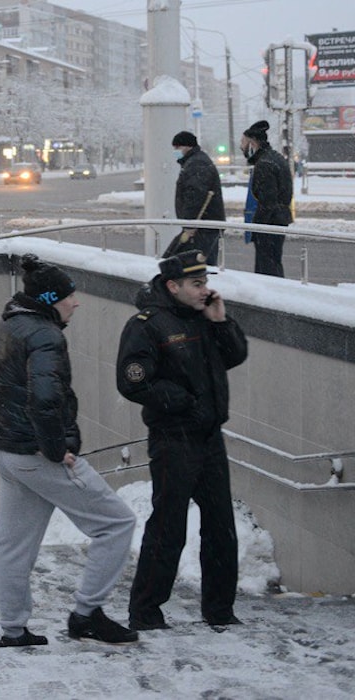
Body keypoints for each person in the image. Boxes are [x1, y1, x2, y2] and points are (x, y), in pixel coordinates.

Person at [0, 255, 138, 647]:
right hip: (38, 456)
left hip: (8, 453)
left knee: (13, 546)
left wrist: (2, 424)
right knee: (116, 524)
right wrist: (53, 447)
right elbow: (45, 398)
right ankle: (86, 614)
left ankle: (14, 630)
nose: (75, 303)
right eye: (69, 297)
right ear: (50, 300)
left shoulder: (2, 327)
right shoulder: (46, 336)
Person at [117, 248, 248, 630]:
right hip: (174, 436)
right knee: (168, 527)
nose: (204, 289)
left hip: (209, 437)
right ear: (173, 286)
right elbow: (133, 380)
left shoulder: (205, 316)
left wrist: (221, 321)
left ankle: (220, 610)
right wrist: (182, 403)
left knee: (221, 526)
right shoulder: (147, 324)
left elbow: (235, 355)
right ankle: (145, 610)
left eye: (205, 282)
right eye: (196, 283)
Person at [240, 120, 293, 277]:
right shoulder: (275, 158)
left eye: (243, 142)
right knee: (274, 263)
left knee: (267, 268)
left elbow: (267, 202)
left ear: (253, 143)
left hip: (270, 224)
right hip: (279, 220)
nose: (241, 147)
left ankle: (271, 298)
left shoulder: (264, 164)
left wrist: (257, 228)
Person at [165, 131, 225, 261]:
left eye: (177, 147)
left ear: (188, 146)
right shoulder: (196, 161)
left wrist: (189, 223)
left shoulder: (196, 164)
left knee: (191, 265)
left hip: (201, 226)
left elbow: (195, 196)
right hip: (204, 225)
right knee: (194, 263)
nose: (175, 151)